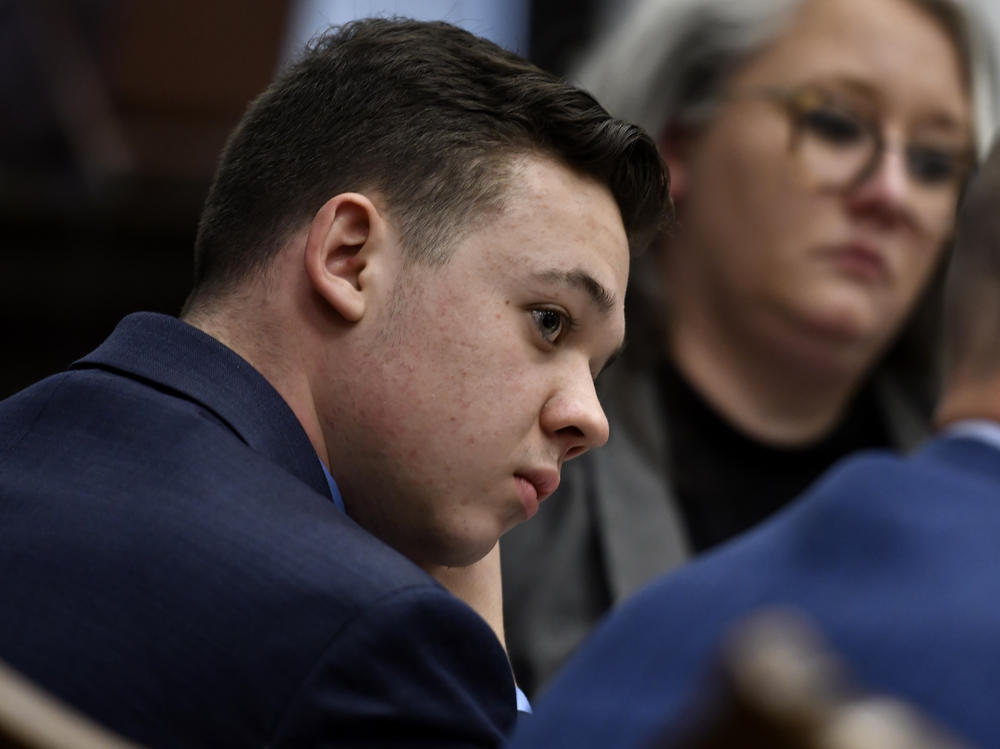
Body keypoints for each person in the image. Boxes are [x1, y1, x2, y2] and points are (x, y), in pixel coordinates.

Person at [0, 18, 668, 749]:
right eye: (550, 322)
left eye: (598, 369)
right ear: (349, 258)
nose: (590, 419)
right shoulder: (377, 637)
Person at [502, 0, 1000, 696]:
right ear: (676, 141)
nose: (893, 194)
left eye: (934, 162)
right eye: (835, 123)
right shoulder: (509, 455)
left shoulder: (975, 486)